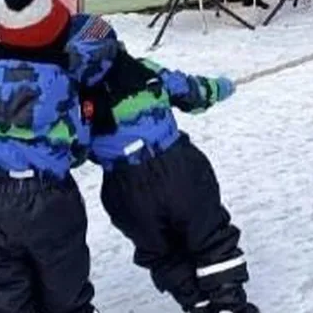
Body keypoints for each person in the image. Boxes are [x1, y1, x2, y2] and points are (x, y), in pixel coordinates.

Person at [70, 16, 254, 313]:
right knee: (209, 234)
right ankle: (228, 302)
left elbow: (73, 152)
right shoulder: (144, 70)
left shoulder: (77, 104)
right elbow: (192, 92)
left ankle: (197, 302)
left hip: (125, 186)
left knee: (160, 250)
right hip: (179, 167)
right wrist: (221, 87)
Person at [0, 0, 116, 313]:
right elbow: (78, 148)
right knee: (66, 289)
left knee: (1, 295)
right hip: (49, 201)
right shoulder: (66, 87)